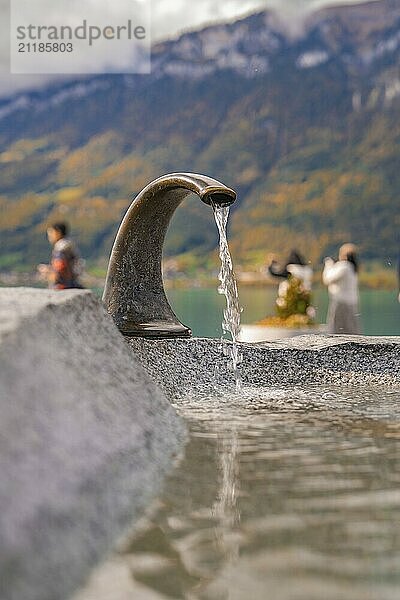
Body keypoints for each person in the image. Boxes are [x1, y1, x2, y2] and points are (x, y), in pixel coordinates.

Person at [322, 243, 361, 334]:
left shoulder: (344, 266)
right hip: (352, 302)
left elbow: (327, 279)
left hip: (341, 302)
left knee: (337, 330)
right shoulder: (352, 267)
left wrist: (328, 265)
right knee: (351, 329)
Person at [267, 249, 315, 321]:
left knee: (289, 316)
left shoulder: (291, 269)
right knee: (304, 314)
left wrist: (271, 265)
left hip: (290, 298)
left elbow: (276, 274)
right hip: (306, 296)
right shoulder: (308, 270)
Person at [38, 222, 83, 290]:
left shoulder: (60, 247)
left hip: (63, 285)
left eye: (51, 233)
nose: (49, 237)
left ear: (58, 232)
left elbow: (60, 266)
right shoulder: (68, 244)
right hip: (72, 282)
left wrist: (48, 271)